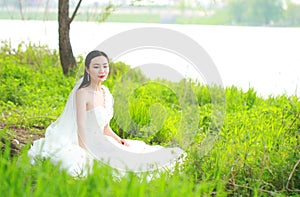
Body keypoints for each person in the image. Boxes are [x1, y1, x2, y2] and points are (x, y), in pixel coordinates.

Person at [28, 50, 186, 178]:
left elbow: (105, 127)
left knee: (135, 155)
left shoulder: (105, 92)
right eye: (96, 67)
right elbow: (81, 125)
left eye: (105, 66)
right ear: (87, 69)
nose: (102, 71)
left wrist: (118, 139)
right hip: (85, 141)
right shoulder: (82, 93)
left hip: (103, 139)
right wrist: (85, 152)